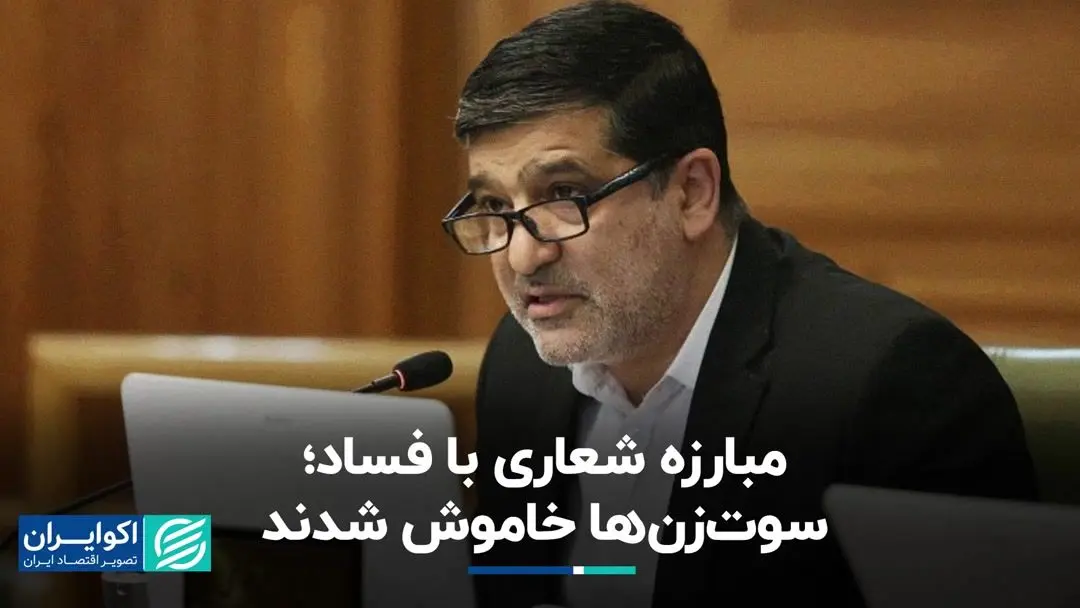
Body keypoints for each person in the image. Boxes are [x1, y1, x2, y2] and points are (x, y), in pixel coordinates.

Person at [441, 1, 1038, 607]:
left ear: (692, 193)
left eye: (564, 194)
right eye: (494, 206)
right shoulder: (523, 366)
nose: (522, 256)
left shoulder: (890, 384)